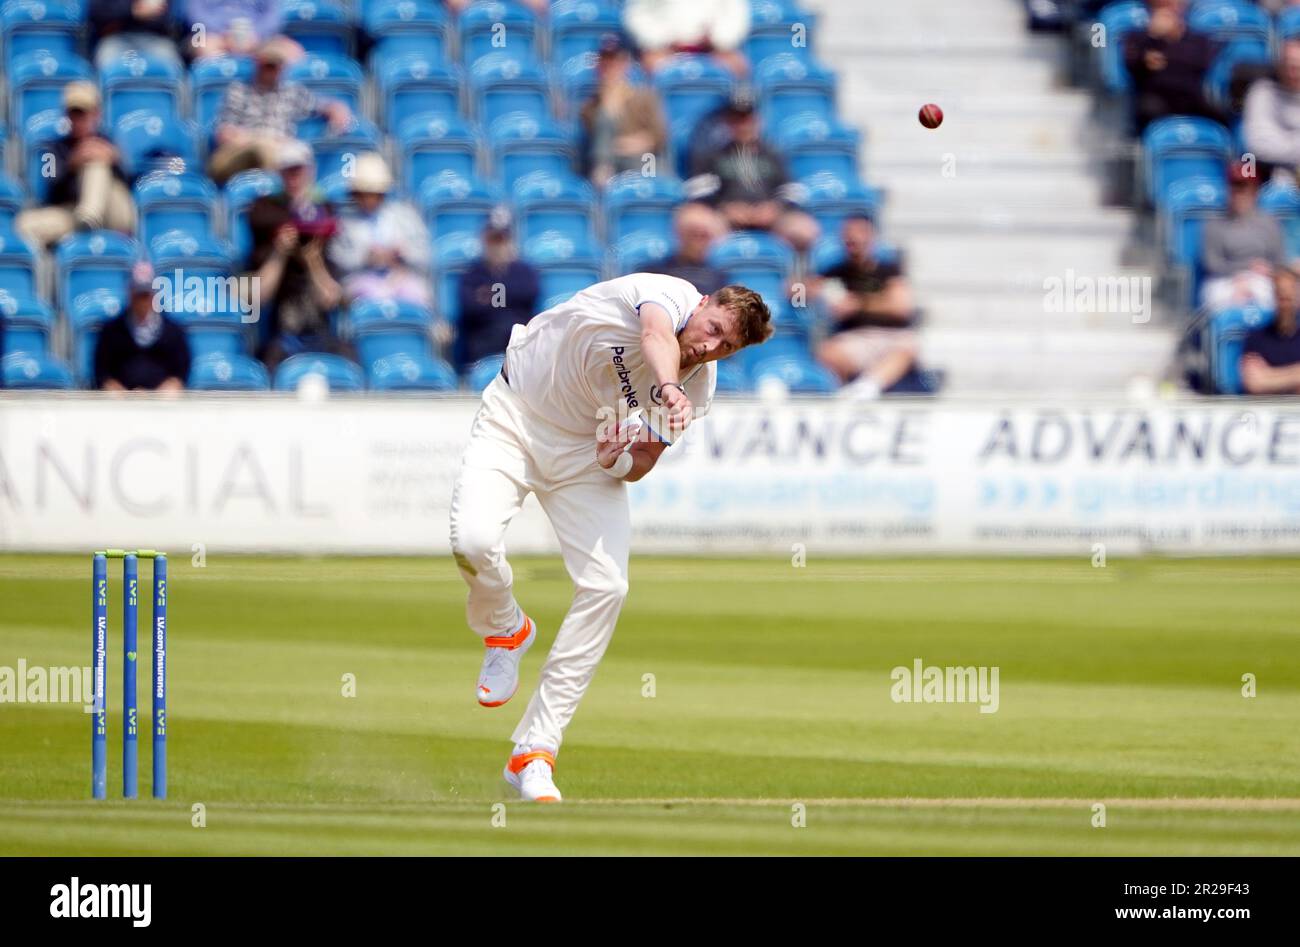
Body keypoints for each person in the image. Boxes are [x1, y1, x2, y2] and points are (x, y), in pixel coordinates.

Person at [448, 275, 772, 802]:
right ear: (703, 303)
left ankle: (535, 752)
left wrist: (617, 458)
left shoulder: (700, 387)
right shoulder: (662, 293)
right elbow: (655, 338)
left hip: (583, 457)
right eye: (713, 329)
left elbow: (641, 463)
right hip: (515, 416)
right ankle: (506, 629)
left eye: (726, 347)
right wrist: (667, 389)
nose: (709, 347)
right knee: (473, 541)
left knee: (607, 587)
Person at [247, 140, 349, 371]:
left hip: (320, 333)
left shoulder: (324, 211)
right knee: (271, 363)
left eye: (298, 170)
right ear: (279, 173)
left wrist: (312, 258)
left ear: (309, 171)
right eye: (288, 171)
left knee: (348, 361)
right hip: (282, 332)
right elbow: (261, 295)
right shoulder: (265, 211)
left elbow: (329, 297)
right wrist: (280, 252)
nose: (293, 177)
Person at [207, 37, 349, 186]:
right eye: (267, 65)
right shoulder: (239, 91)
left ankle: (302, 201)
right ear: (258, 63)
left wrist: (337, 109)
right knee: (263, 150)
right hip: (239, 153)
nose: (272, 71)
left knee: (298, 155)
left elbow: (324, 106)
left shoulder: (292, 92)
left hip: (279, 154)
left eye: (276, 66)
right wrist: (262, 140)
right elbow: (225, 135)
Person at [688, 92, 819, 252]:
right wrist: (724, 208)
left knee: (804, 229)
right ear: (728, 123)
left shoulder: (772, 153)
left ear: (758, 121)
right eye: (737, 120)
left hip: (770, 217)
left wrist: (776, 208)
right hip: (725, 218)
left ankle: (793, 275)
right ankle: (711, 276)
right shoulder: (714, 154)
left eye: (747, 119)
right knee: (696, 222)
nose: (743, 125)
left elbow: (793, 191)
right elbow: (698, 191)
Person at [15, 83, 136, 248]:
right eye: (74, 113)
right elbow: (49, 185)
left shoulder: (108, 144)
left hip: (111, 212)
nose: (79, 120)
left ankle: (89, 218)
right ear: (67, 115)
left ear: (96, 114)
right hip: (71, 214)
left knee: (96, 163)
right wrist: (72, 164)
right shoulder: (51, 149)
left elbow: (132, 183)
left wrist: (115, 161)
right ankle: (85, 225)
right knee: (24, 223)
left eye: (84, 114)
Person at [813, 214, 918, 400]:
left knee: (906, 349)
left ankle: (868, 387)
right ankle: (844, 393)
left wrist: (859, 304)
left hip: (892, 335)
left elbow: (901, 307)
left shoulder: (888, 270)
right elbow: (803, 289)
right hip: (855, 337)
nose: (853, 238)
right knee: (827, 352)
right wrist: (799, 289)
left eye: (859, 233)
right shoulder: (836, 271)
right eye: (849, 233)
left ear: (871, 237)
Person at [329, 152, 432, 306]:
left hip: (400, 277)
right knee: (371, 299)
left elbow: (425, 254)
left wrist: (403, 253)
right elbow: (338, 259)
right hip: (360, 280)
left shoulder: (404, 216)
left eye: (375, 194)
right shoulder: (344, 221)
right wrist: (366, 257)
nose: (370, 199)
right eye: (365, 194)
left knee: (417, 295)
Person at [455, 208, 540, 371]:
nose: (497, 246)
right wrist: (507, 296)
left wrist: (489, 293)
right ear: (484, 240)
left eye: (501, 240)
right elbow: (469, 306)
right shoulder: (472, 273)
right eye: (492, 240)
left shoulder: (524, 271)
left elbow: (529, 293)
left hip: (518, 343)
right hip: (482, 345)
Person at [578, 33, 668, 187]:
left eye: (614, 61)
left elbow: (658, 136)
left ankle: (649, 194)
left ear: (624, 63)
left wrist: (632, 143)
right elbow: (597, 143)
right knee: (603, 164)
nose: (609, 67)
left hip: (643, 159)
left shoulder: (643, 97)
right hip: (611, 164)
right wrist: (607, 109)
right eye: (605, 61)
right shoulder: (590, 106)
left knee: (648, 162)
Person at [1122, 0, 1221, 132]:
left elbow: (1200, 64)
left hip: (1190, 97)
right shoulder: (1137, 38)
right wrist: (1153, 37)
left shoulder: (1199, 39)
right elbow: (1132, 65)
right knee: (1149, 108)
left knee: (1217, 116)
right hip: (1155, 98)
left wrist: (1173, 40)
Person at [93, 261, 192, 391]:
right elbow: (102, 372)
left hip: (160, 398)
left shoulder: (172, 331)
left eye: (146, 295)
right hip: (123, 397)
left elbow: (180, 372)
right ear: (130, 294)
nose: (142, 301)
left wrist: (160, 393)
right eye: (138, 294)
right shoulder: (112, 331)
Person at [1200, 164, 1285, 312]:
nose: (1238, 194)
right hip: (1225, 280)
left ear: (1254, 191)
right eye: (1234, 187)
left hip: (1262, 280)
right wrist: (1244, 270)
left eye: (1244, 188)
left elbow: (1280, 261)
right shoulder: (1214, 223)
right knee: (1216, 297)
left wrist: (1269, 270)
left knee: (1278, 294)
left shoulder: (1269, 222)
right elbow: (1212, 264)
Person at [623, 0, 751, 75]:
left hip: (712, 49)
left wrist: (717, 37)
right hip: (665, 49)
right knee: (651, 65)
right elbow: (636, 16)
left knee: (737, 65)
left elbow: (737, 15)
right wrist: (664, 38)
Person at [1243, 40, 1300, 184]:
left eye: (1298, 65)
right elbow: (1258, 145)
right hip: (1272, 176)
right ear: (1279, 65)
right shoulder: (1262, 93)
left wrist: (1284, 140)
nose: (1293, 71)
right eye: (1289, 64)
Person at [643, 201, 728, 295]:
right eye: (693, 234)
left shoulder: (720, 276)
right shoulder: (655, 272)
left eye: (704, 235)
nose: (698, 241)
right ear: (679, 233)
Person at [1240, 265, 1300, 394]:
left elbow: (1262, 382)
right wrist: (1295, 374)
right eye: (1280, 298)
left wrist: (1268, 376)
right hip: (1267, 411)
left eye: (1288, 299)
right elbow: (1254, 383)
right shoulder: (1256, 338)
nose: (1285, 305)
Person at [184, 0, 296, 60]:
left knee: (292, 52)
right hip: (215, 36)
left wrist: (256, 34)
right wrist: (224, 33)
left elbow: (274, 17)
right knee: (203, 47)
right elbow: (193, 14)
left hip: (257, 38)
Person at [90, 0, 183, 71]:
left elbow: (173, 19)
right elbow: (97, 12)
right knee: (106, 59)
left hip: (156, 38)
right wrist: (133, 9)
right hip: (116, 37)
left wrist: (156, 11)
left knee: (172, 63)